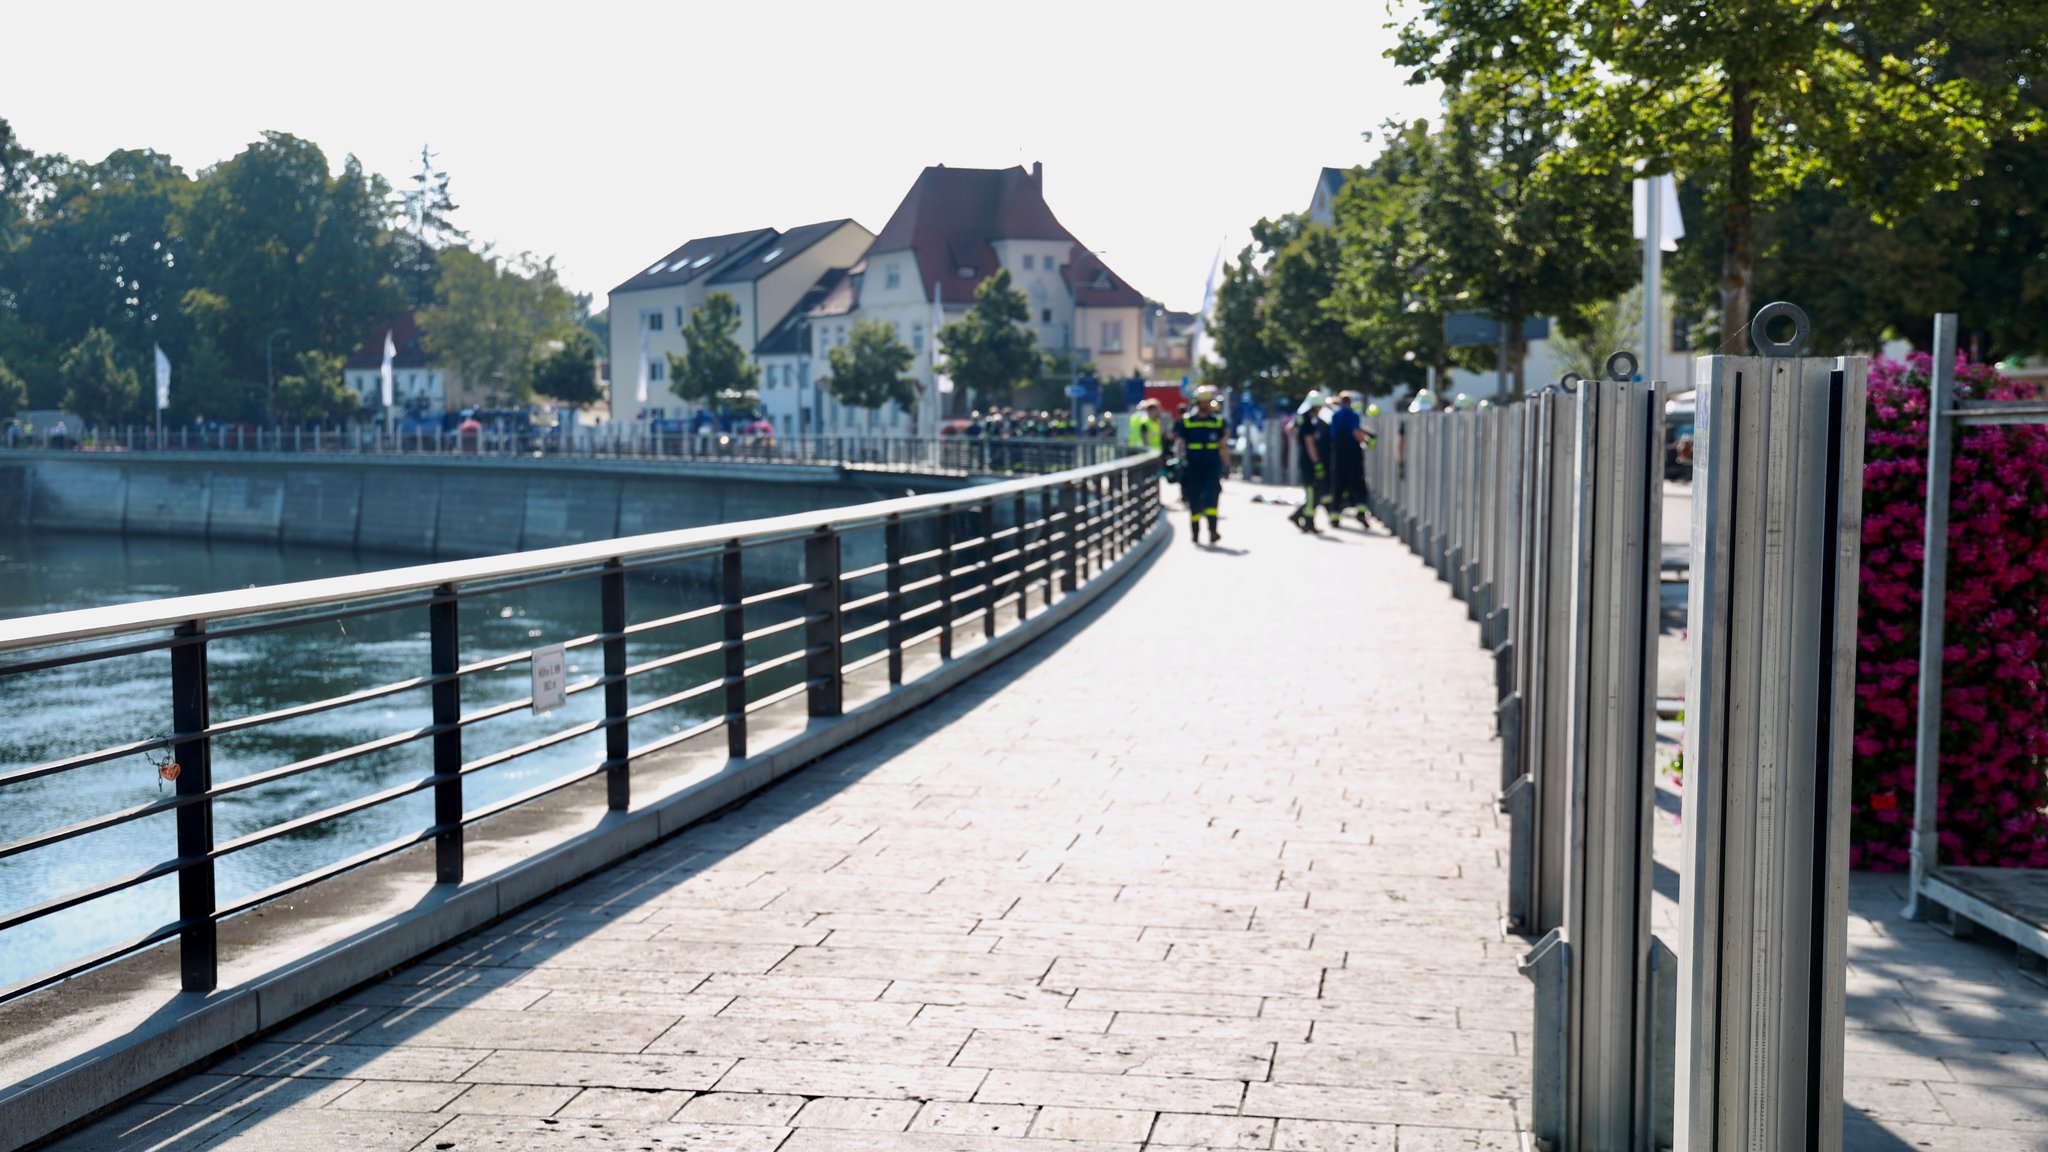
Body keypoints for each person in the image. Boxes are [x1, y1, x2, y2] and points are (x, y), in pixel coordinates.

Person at [1175, 386, 1229, 544]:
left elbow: (1223, 445)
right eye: (1202, 401)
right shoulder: (1186, 421)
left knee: (1212, 499)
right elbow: (1180, 443)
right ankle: (1195, 533)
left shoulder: (1218, 422)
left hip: (1212, 466)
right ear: (1197, 403)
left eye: (1207, 401)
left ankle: (1212, 531)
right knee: (1194, 500)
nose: (1205, 404)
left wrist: (1226, 466)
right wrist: (1179, 461)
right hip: (1193, 467)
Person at [1327, 392, 1371, 529]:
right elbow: (1355, 432)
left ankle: (1334, 517)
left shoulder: (1335, 415)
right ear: (1350, 402)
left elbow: (1332, 434)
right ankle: (1361, 513)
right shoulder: (1352, 415)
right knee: (1358, 485)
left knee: (1337, 486)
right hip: (1352, 454)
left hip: (1337, 454)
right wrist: (1367, 442)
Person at [1289, 391, 1329, 533]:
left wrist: (1298, 443)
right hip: (1309, 461)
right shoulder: (1308, 421)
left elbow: (1289, 428)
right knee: (1313, 493)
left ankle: (1301, 518)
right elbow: (1310, 443)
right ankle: (1307, 522)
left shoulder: (1301, 418)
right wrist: (1317, 462)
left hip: (1303, 458)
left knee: (1312, 493)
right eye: (1319, 407)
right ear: (1314, 407)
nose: (1320, 410)